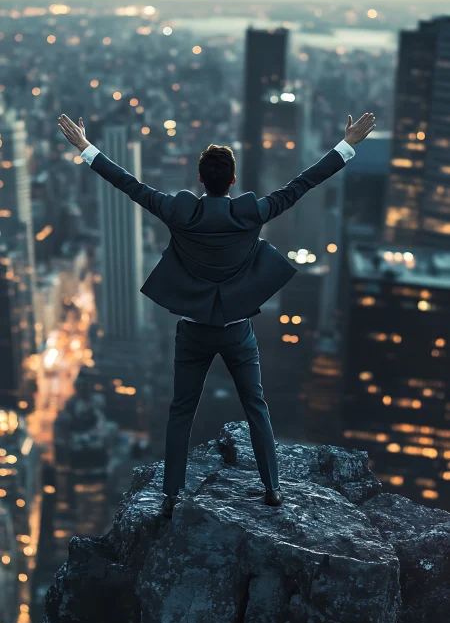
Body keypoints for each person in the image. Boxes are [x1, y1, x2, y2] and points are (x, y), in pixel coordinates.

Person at [57, 111, 375, 517]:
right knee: (256, 407)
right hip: (237, 330)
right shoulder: (252, 213)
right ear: (233, 181)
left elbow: (129, 185)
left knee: (180, 412)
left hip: (193, 331)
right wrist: (347, 144)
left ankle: (172, 496)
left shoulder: (179, 213)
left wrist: (86, 149)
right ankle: (272, 488)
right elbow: (303, 184)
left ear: (201, 181)